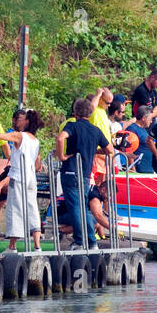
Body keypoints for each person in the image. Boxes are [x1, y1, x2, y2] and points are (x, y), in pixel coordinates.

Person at [0, 109, 45, 251]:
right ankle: (37, 246)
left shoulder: (20, 136)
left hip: (18, 177)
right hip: (30, 179)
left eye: (22, 119)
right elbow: (38, 165)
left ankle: (12, 246)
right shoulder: (36, 141)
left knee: (15, 209)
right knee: (32, 209)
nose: (19, 121)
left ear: (27, 121)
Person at [55, 98, 111, 247]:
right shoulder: (95, 130)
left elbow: (60, 138)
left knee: (75, 206)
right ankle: (91, 242)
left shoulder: (72, 125)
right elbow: (109, 150)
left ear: (75, 112)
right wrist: (93, 151)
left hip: (71, 171)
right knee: (84, 207)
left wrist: (61, 156)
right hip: (86, 174)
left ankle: (80, 241)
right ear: (90, 112)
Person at [123, 104, 154, 173]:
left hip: (148, 168)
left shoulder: (143, 130)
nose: (151, 121)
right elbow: (128, 150)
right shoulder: (132, 129)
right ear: (143, 118)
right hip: (140, 169)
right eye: (150, 119)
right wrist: (133, 169)